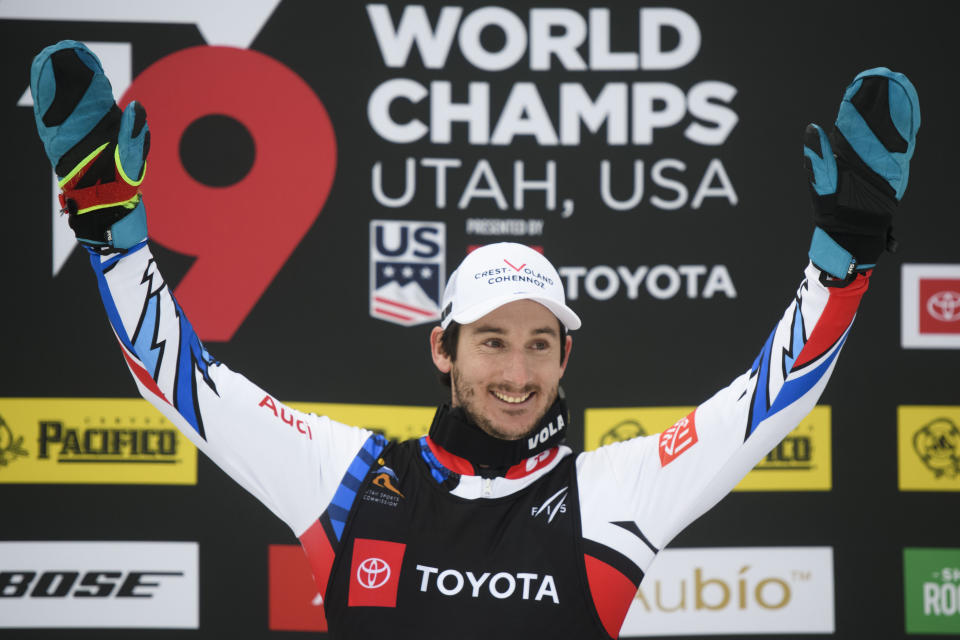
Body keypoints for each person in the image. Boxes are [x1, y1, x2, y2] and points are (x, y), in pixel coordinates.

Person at [29, 41, 919, 639]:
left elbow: (772, 395)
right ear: (443, 351)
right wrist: (113, 235)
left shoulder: (614, 490)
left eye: (539, 343)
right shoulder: (350, 479)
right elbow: (178, 380)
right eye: (491, 342)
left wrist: (841, 258)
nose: (518, 371)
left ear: (566, 356)